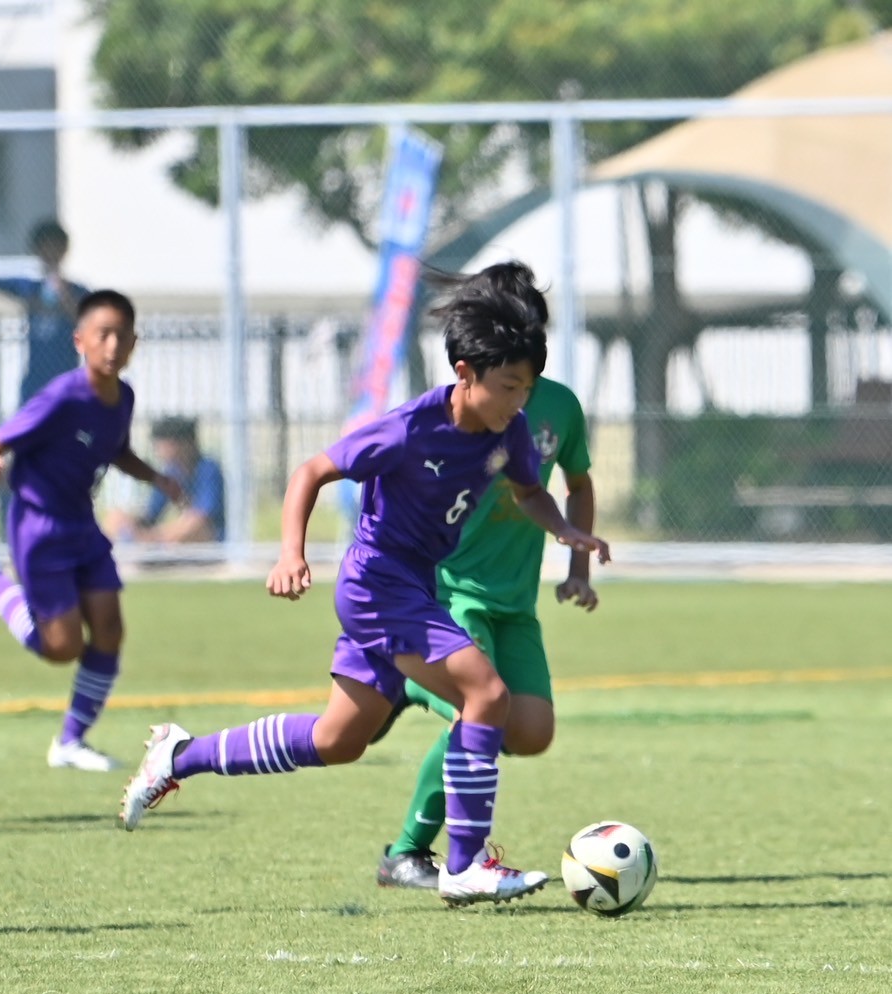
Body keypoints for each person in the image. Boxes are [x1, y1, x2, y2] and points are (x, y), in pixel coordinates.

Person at [118, 262, 611, 909]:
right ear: (465, 373)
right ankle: (464, 864)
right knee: (486, 694)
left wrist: (567, 532)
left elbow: (529, 493)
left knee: (338, 740)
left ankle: (180, 755)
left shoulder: (509, 429)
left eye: (526, 388)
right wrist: (290, 553)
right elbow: (311, 471)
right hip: (378, 584)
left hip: (415, 588)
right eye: (509, 386)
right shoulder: (409, 429)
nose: (519, 401)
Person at [376, 374, 597, 890]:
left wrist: (579, 569)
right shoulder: (462, 404)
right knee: (479, 710)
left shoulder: (561, 405)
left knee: (531, 732)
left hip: (516, 601)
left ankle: (408, 683)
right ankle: (407, 852)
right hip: (451, 590)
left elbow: (578, 484)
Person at [0, 289, 183, 771]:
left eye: (121, 336)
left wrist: (155, 478)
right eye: (103, 334)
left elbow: (116, 450)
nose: (112, 345)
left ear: (134, 343)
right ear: (81, 341)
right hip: (39, 525)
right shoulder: (62, 397)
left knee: (110, 629)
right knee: (61, 647)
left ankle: (71, 742)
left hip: (81, 522)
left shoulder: (123, 397)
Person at [0, 219, 90, 406]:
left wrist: (62, 292)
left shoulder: (77, 290)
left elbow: (84, 318)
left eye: (55, 247)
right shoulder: (30, 287)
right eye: (45, 248)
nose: (50, 253)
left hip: (65, 376)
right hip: (35, 378)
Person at [103, 416, 226, 545]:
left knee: (192, 524)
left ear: (188, 444)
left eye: (169, 445)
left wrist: (156, 534)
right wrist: (131, 523)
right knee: (115, 517)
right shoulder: (171, 472)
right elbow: (150, 515)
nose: (161, 451)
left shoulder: (208, 469)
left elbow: (203, 518)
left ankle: (149, 542)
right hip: (169, 537)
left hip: (212, 537)